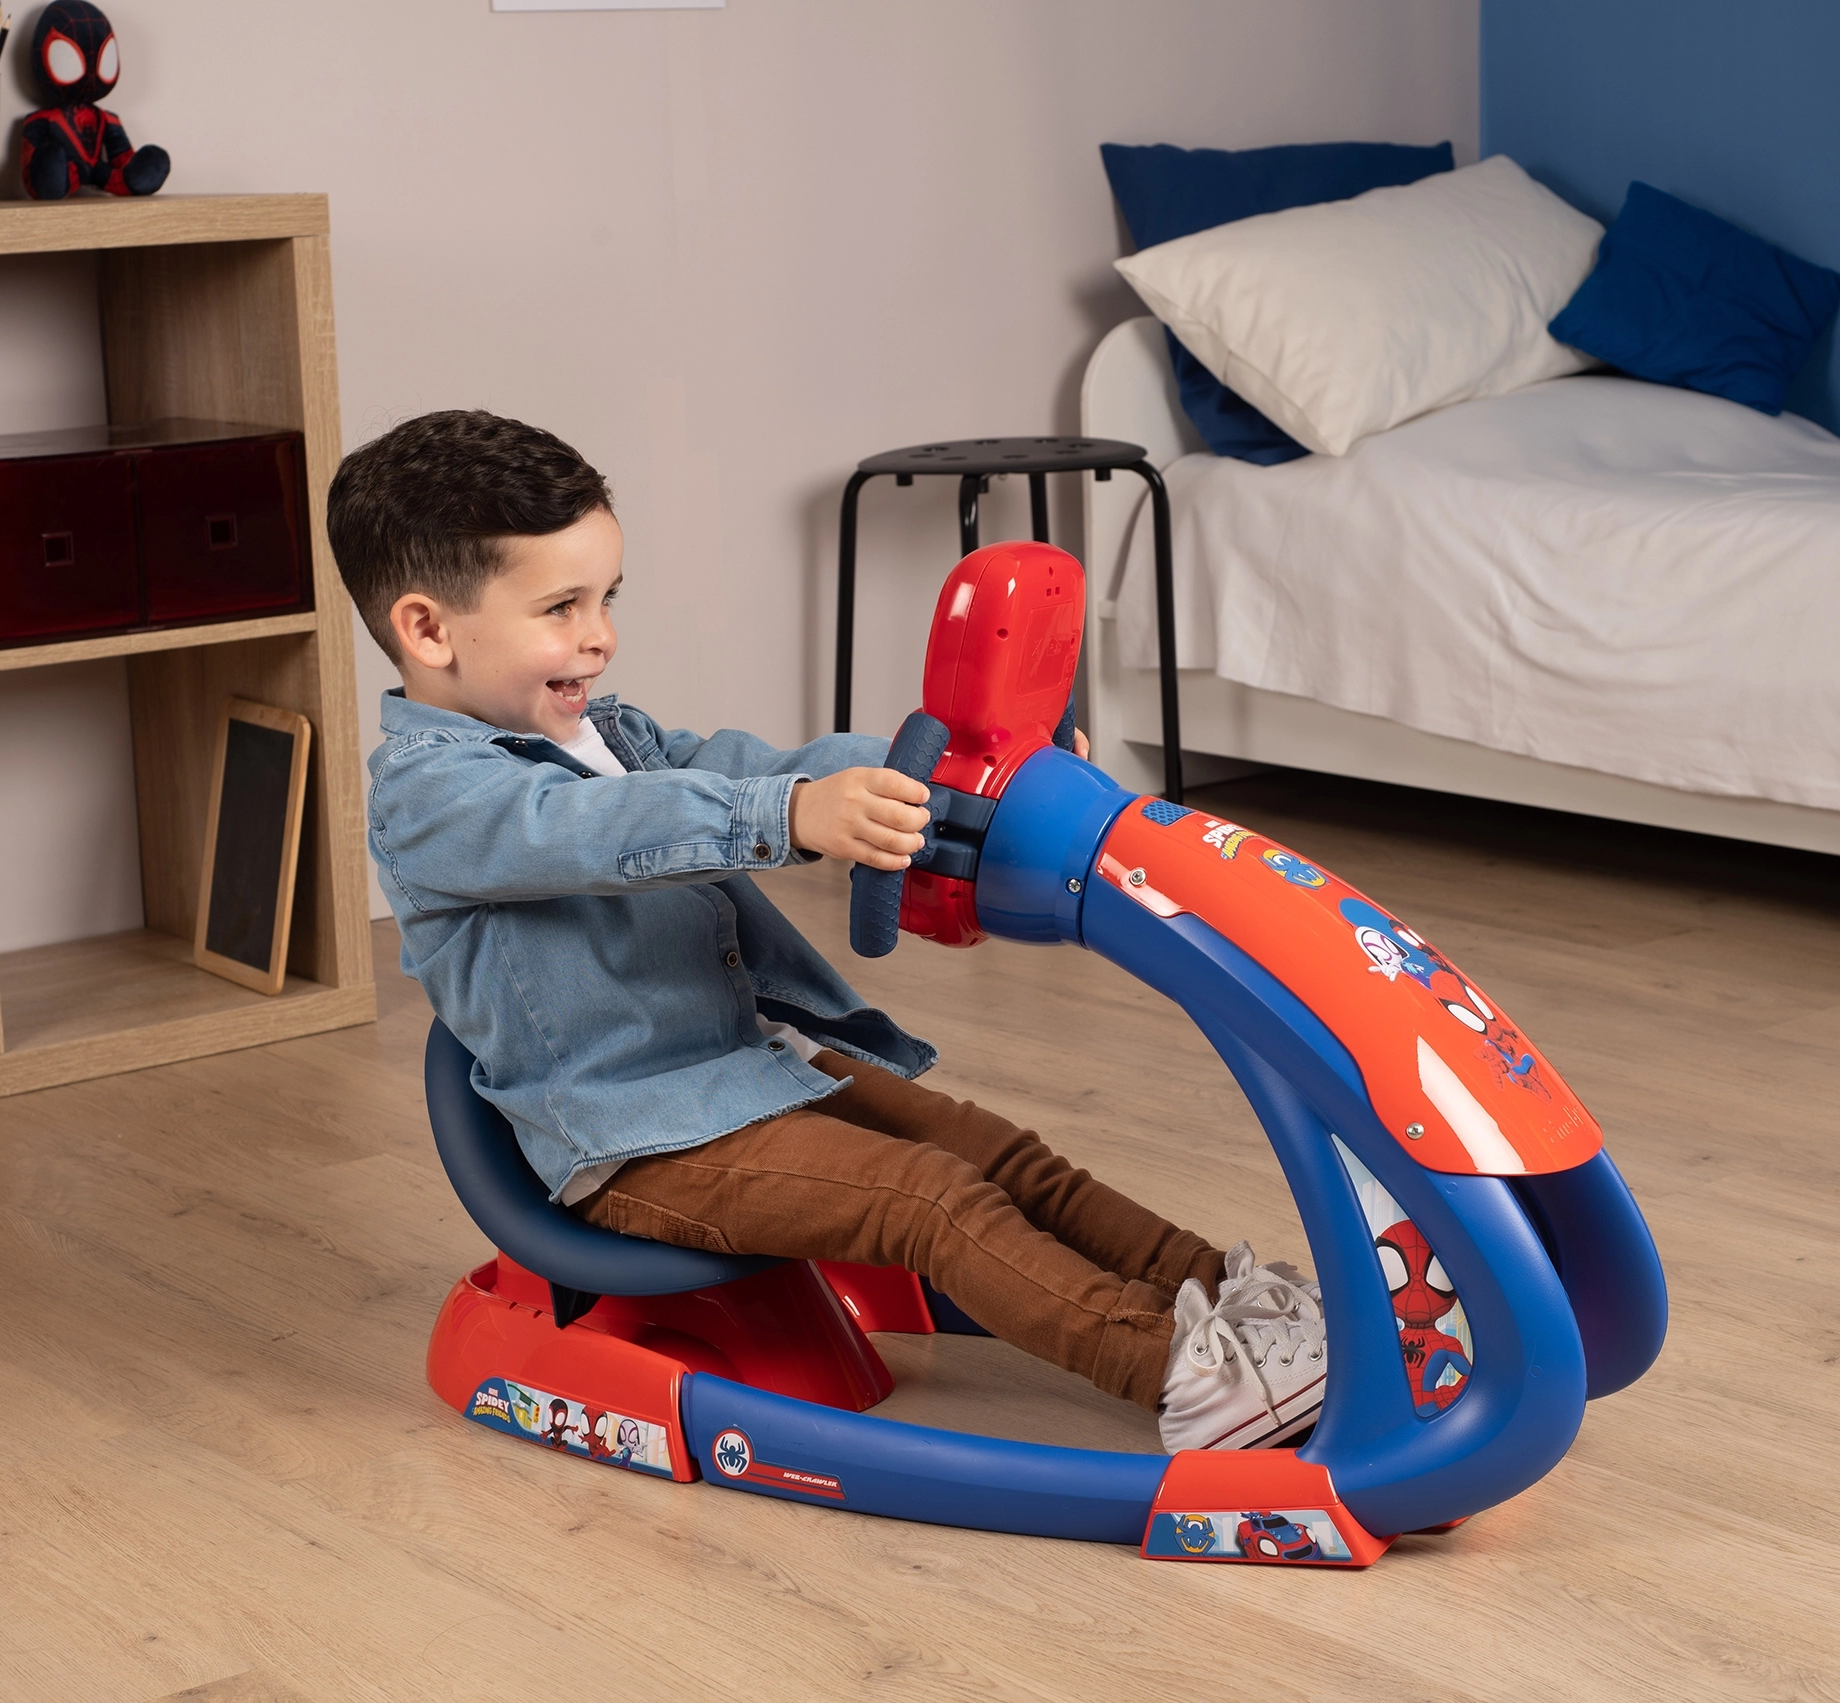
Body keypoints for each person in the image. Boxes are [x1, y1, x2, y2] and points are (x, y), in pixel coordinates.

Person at [328, 409, 1327, 1452]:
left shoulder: (603, 731)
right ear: (429, 630)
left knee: (999, 1153)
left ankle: (1238, 1303)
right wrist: (790, 816)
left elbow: (755, 763)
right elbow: (603, 829)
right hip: (638, 1140)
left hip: (749, 1070)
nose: (600, 635)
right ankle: (1180, 1374)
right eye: (561, 607)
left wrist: (951, 777)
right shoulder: (430, 797)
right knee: (929, 1198)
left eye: (606, 597)